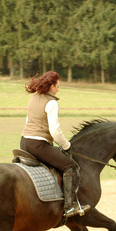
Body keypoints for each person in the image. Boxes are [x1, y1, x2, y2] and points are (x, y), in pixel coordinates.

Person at [20, 71, 90, 217]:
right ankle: (70, 207)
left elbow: (28, 122)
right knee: (69, 166)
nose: (58, 88)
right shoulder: (51, 102)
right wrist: (66, 146)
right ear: (52, 86)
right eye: (58, 86)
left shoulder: (33, 98)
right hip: (38, 145)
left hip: (24, 142)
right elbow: (55, 131)